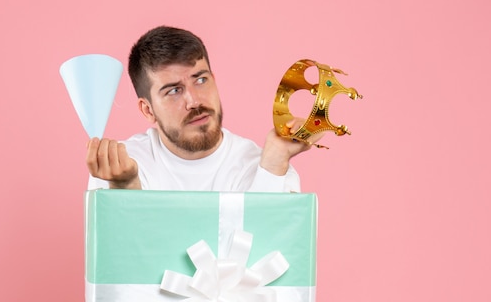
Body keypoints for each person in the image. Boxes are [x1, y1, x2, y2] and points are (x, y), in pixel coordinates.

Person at [86, 26, 320, 192]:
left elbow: (274, 250)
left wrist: (274, 162)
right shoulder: (120, 166)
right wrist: (125, 188)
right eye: (173, 91)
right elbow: (122, 257)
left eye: (200, 80)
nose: (194, 101)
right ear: (148, 110)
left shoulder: (263, 165)